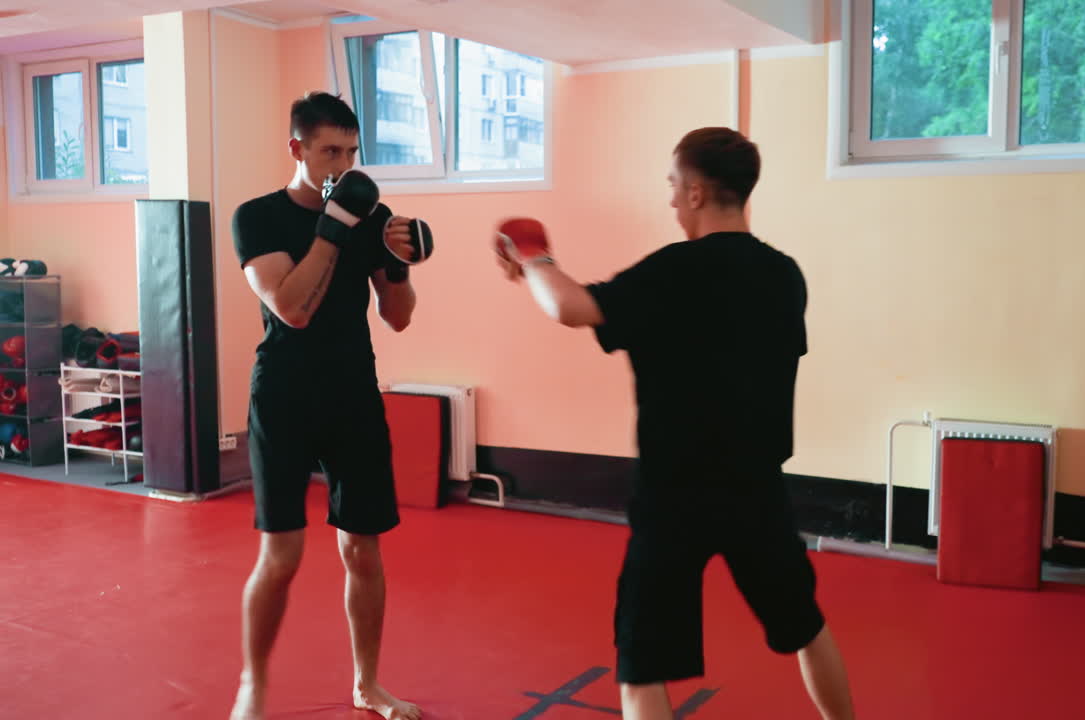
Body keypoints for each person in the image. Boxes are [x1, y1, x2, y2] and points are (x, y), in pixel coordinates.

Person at [494, 127, 856, 720]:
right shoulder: (785, 275)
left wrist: (532, 254)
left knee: (642, 664)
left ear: (694, 193)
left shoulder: (672, 272)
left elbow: (570, 306)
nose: (668, 200)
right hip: (756, 490)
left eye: (672, 186)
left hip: (674, 495)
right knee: (805, 627)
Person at [229, 91, 428, 720]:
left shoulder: (372, 215)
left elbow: (396, 319)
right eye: (329, 151)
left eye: (350, 150)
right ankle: (254, 685)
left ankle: (367, 685)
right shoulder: (255, 217)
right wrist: (334, 225)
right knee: (282, 553)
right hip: (285, 393)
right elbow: (292, 307)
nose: (342, 162)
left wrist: (398, 266)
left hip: (353, 394)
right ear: (298, 149)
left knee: (362, 548)